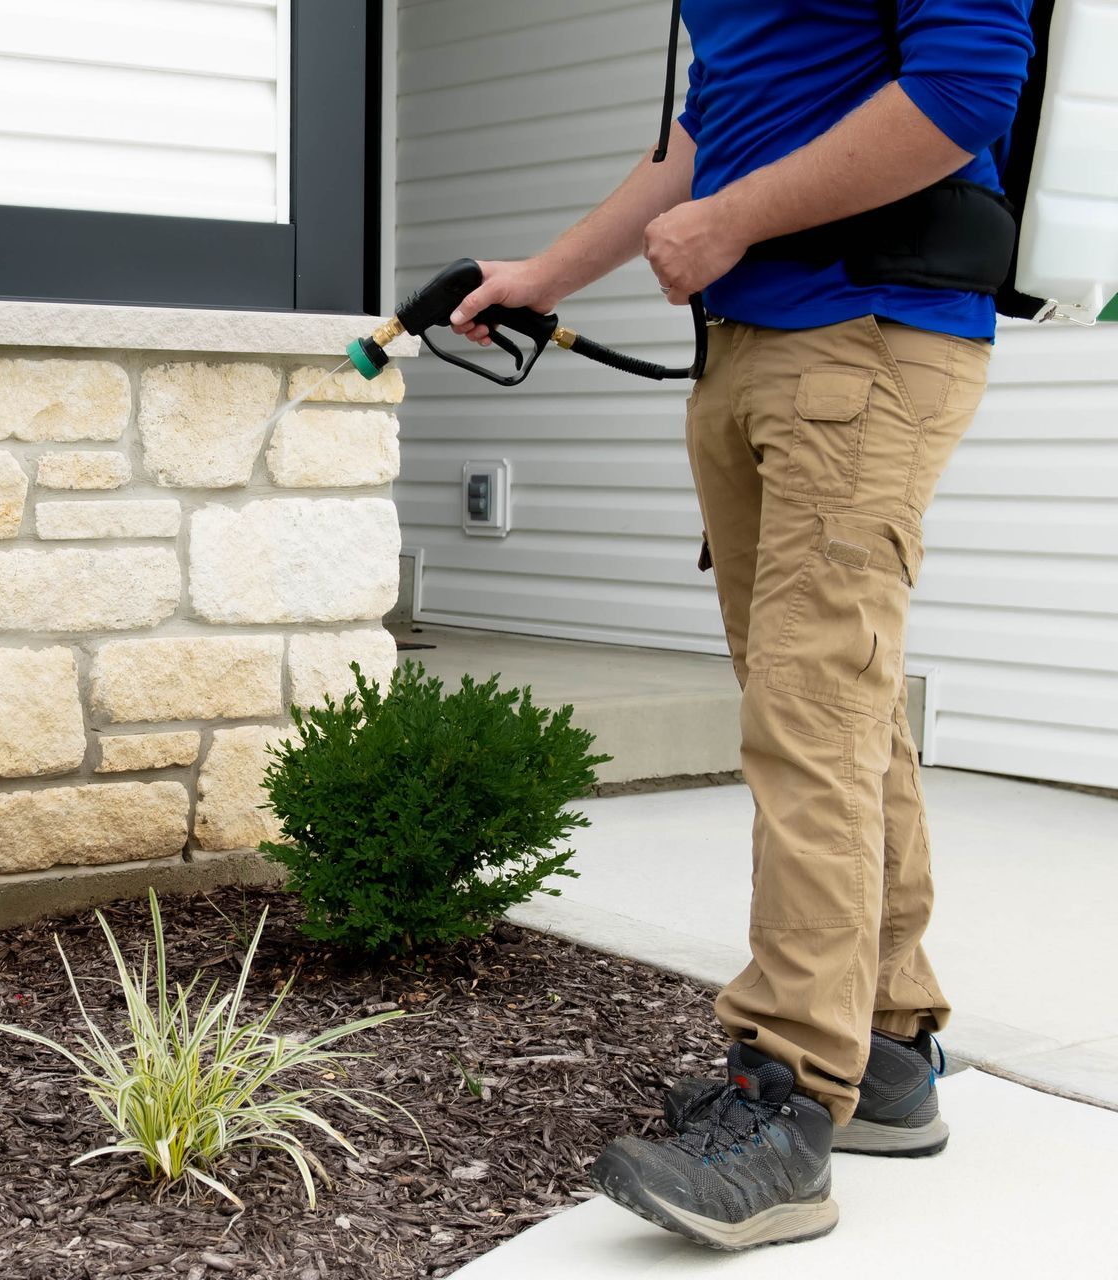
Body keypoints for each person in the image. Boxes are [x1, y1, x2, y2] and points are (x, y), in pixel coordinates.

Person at [446, 1, 1035, 1251]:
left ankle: (784, 1102)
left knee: (809, 712)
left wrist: (731, 221)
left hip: (868, 329)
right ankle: (883, 1046)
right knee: (832, 703)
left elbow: (967, 90)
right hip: (754, 341)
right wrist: (540, 279)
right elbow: (700, 131)